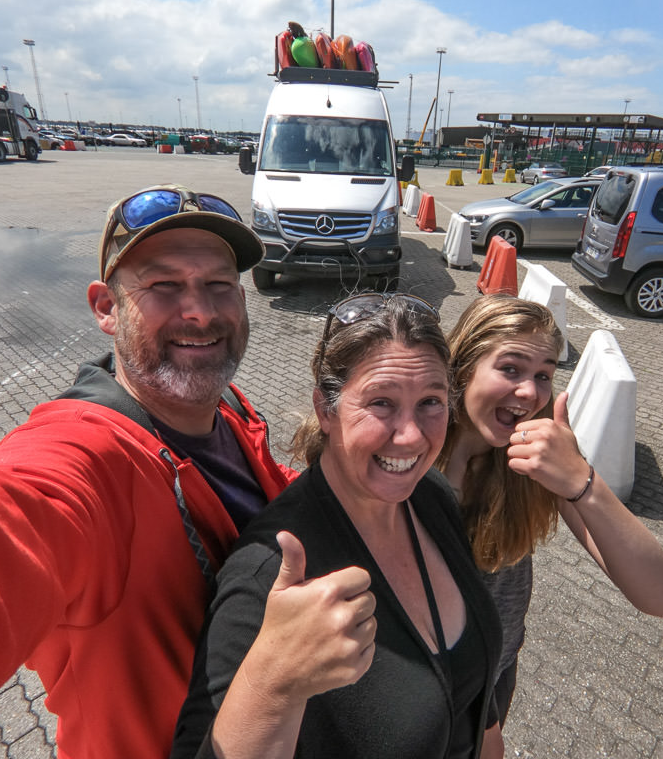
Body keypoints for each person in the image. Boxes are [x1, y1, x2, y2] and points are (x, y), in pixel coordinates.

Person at [0, 185, 369, 759]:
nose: (201, 311)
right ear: (107, 307)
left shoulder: (227, 407)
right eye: (163, 286)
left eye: (219, 285)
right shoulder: (88, 461)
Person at [172, 293, 505, 759]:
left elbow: (473, 689)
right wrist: (272, 684)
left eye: (430, 401)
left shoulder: (431, 498)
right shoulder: (269, 575)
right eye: (382, 403)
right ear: (326, 410)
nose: (410, 435)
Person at [436, 295, 663, 725]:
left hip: (490, 681)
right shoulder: (413, 451)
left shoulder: (537, 461)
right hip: (415, 682)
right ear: (463, 367)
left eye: (544, 375)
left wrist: (581, 482)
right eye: (510, 368)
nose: (530, 392)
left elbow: (661, 598)